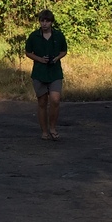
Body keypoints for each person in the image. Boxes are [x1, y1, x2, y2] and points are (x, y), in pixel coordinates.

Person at [25, 9, 67, 140]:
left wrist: (56, 58)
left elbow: (64, 51)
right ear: (39, 22)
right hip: (39, 72)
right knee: (42, 102)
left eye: (47, 21)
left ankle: (53, 127)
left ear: (51, 22)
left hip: (55, 72)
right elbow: (28, 52)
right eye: (42, 21)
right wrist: (39, 59)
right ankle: (44, 131)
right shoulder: (34, 36)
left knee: (55, 100)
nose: (44, 24)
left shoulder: (59, 35)